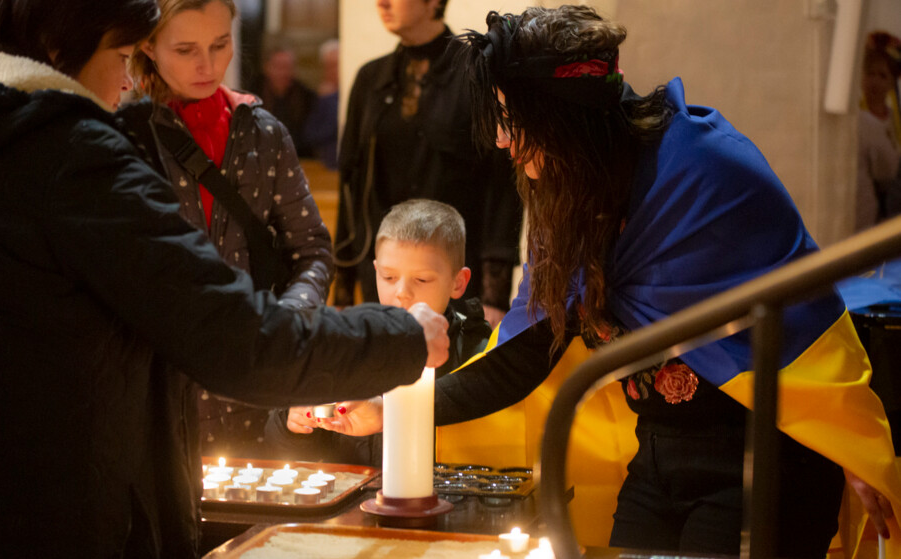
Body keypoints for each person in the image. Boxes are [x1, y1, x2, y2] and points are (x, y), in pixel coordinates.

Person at [320, 7, 901, 558]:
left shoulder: (707, 170)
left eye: (512, 119)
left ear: (565, 118)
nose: (501, 139)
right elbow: (525, 356)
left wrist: (840, 433)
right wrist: (385, 410)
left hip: (763, 462)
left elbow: (803, 318)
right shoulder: (567, 191)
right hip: (657, 456)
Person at [0, 0, 451, 555]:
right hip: (33, 512)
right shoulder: (66, 155)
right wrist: (400, 337)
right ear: (59, 48)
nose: (128, 81)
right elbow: (233, 337)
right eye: (123, 54)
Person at [122, 0, 334, 461]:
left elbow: (312, 249)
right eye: (185, 49)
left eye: (220, 45)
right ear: (148, 47)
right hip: (161, 388)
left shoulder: (262, 132)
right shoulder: (126, 135)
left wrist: (288, 318)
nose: (208, 65)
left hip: (254, 379)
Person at [332, 0, 523, 328]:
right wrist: (344, 290)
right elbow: (350, 184)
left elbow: (502, 188)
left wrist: (495, 296)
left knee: (454, 375)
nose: (382, 2)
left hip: (455, 274)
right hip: (386, 277)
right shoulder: (371, 77)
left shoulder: (476, 73)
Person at [265, 199, 491, 466]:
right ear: (375, 271)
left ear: (458, 282)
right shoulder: (349, 344)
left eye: (421, 279)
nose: (402, 292)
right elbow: (295, 451)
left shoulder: (479, 353)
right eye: (389, 277)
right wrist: (294, 424)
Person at [857, 31, 901, 231]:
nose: (874, 81)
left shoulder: (896, 119)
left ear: (892, 82)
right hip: (865, 214)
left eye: (882, 75)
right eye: (870, 73)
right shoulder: (856, 120)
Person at [258, 45, 316, 157]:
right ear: (267, 67)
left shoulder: (306, 96)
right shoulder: (254, 95)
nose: (283, 73)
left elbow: (309, 135)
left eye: (287, 67)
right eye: (278, 67)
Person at [303, 38, 339, 169]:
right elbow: (311, 135)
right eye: (327, 66)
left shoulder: (331, 97)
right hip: (326, 165)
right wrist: (326, 100)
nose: (331, 71)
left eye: (335, 65)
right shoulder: (321, 97)